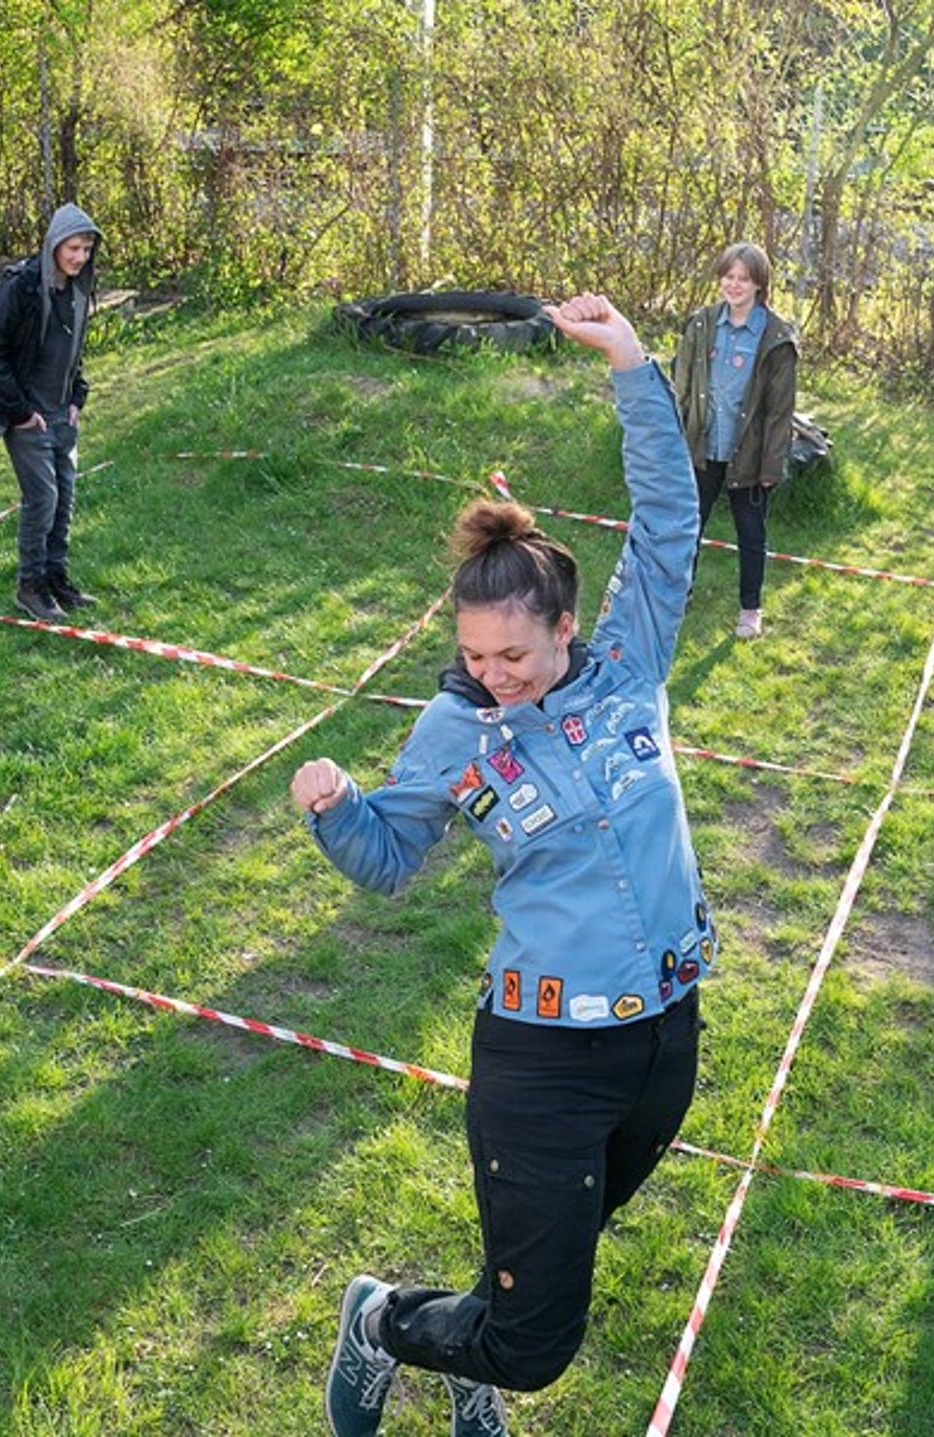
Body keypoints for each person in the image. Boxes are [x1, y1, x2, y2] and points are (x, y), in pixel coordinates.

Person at [294, 294, 711, 1437]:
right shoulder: (454, 731)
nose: (493, 674)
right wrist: (336, 808)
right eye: (474, 656)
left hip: (665, 1032)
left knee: (551, 1260)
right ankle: (382, 1323)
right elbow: (387, 859)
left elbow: (668, 519)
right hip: (540, 1056)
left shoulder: (628, 664)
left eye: (513, 653)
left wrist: (630, 363)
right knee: (537, 1346)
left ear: (567, 627)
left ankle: (464, 1341)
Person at [0, 202, 104, 624]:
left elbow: (73, 351)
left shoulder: (80, 287)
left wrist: (75, 398)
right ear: (54, 244)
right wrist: (22, 412)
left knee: (64, 499)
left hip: (62, 414)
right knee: (42, 499)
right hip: (28, 416)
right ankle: (29, 588)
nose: (79, 257)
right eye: (73, 248)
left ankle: (55, 578)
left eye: (86, 249)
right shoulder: (21, 287)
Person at [672, 241, 799, 640]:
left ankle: (750, 609)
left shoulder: (776, 338)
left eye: (744, 278)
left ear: (760, 284)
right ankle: (678, 594)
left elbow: (781, 411)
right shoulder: (702, 324)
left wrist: (771, 466)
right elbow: (683, 386)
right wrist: (677, 440)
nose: (735, 284)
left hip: (749, 454)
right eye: (729, 276)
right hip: (702, 448)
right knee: (688, 524)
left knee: (751, 532)